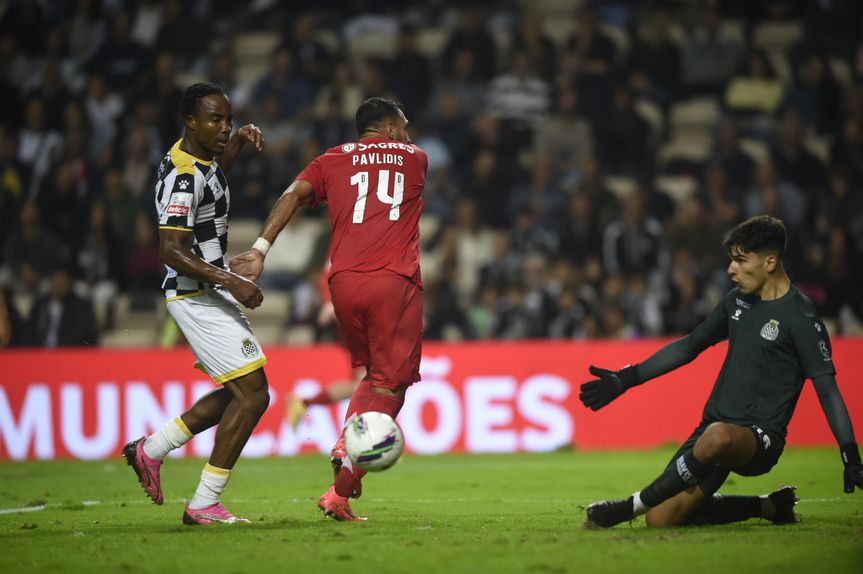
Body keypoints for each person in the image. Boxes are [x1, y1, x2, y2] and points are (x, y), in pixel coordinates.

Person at [580, 215, 863, 528]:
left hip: (757, 439)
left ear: (770, 262)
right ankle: (771, 506)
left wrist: (850, 455)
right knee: (660, 519)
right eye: (731, 260)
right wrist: (625, 378)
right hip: (712, 429)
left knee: (717, 438)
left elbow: (827, 390)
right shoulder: (737, 302)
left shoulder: (801, 317)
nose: (731, 269)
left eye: (741, 260)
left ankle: (626, 508)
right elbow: (689, 346)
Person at [231, 97, 427, 521]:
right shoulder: (415, 158)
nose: (408, 135)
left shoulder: (330, 160)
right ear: (390, 129)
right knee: (392, 386)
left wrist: (260, 249)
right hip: (392, 281)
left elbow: (292, 194)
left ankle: (342, 474)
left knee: (371, 375)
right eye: (404, 127)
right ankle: (344, 468)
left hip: (341, 284)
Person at [122, 82, 270, 526]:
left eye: (228, 119)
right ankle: (204, 502)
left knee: (240, 393)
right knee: (254, 395)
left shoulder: (195, 159)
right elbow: (170, 249)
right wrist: (232, 280)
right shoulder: (184, 176)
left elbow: (212, 182)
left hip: (206, 291)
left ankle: (151, 450)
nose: (224, 127)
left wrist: (237, 143)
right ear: (191, 121)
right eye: (215, 120)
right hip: (195, 294)